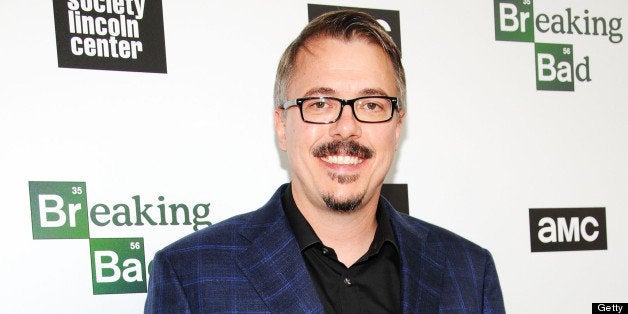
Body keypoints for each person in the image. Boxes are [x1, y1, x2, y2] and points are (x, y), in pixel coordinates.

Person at [145, 9, 505, 313]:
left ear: (396, 128)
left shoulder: (470, 271)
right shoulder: (191, 276)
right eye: (320, 104)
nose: (346, 128)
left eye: (371, 105)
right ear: (282, 127)